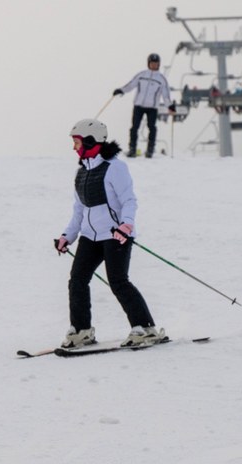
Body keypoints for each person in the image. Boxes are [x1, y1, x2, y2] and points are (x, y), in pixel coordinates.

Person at [54, 119, 163, 349]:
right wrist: (67, 236)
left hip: (115, 234)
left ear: (91, 141)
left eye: (77, 142)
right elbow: (79, 210)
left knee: (118, 281)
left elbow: (129, 200)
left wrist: (126, 226)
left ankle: (145, 328)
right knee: (77, 281)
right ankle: (81, 330)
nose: (74, 147)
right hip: (90, 236)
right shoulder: (81, 173)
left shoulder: (115, 167)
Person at [112, 53, 176, 158]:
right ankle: (132, 149)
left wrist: (170, 106)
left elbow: (166, 95)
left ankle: (150, 150)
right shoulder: (142, 75)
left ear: (159, 64)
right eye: (152, 63)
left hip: (152, 108)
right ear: (148, 63)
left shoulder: (161, 79)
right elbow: (131, 84)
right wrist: (121, 90)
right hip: (139, 106)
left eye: (156, 63)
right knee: (134, 127)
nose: (154, 65)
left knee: (152, 128)